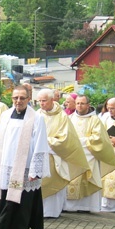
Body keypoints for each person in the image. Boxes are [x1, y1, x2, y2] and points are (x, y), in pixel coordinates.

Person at [0, 85, 50, 229]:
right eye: (15, 98)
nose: (18, 101)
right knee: (6, 201)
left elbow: (40, 144)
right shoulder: (5, 115)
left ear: (29, 99)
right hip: (6, 167)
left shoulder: (36, 118)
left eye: (22, 98)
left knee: (22, 205)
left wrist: (35, 170)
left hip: (24, 168)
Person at [36, 89, 89, 218]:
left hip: (54, 156)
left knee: (53, 182)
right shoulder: (37, 114)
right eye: (39, 101)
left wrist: (47, 141)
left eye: (44, 101)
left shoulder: (62, 116)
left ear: (52, 100)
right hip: (38, 155)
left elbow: (66, 139)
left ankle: (52, 212)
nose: (41, 104)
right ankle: (37, 211)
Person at [66, 95, 115, 212]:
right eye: (78, 103)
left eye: (82, 103)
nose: (79, 106)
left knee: (87, 180)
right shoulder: (70, 118)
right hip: (72, 156)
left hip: (88, 155)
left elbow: (98, 138)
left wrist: (80, 142)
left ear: (88, 105)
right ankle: (68, 206)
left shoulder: (95, 120)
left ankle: (86, 206)